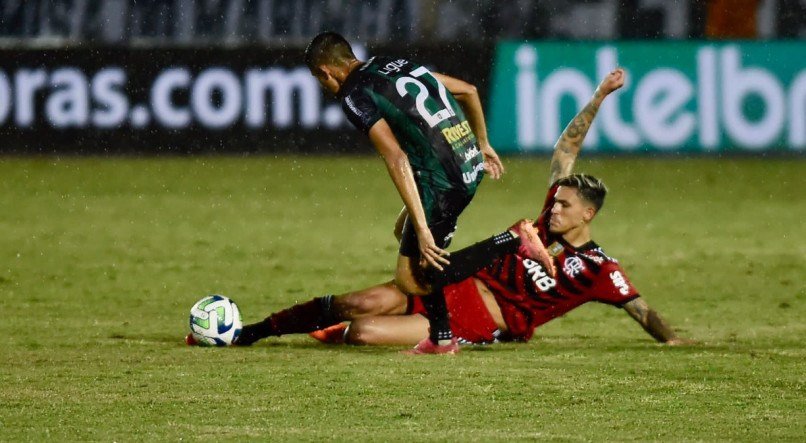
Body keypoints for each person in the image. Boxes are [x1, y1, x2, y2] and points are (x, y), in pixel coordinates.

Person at [211, 68, 690, 349]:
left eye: (566, 205)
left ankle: (350, 333)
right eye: (557, 199)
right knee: (357, 302)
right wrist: (600, 96)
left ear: (589, 216)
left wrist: (673, 341)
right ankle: (254, 332)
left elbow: (642, 310)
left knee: (362, 331)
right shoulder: (545, 222)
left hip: (479, 319)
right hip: (455, 279)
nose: (556, 206)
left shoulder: (600, 269)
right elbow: (569, 145)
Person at [292, 32, 555, 353]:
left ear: (326, 71)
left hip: (445, 179)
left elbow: (396, 157)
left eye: (319, 80)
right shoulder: (391, 63)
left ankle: (509, 245)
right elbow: (468, 91)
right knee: (402, 232)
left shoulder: (353, 93)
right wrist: (482, 143)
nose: (323, 87)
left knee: (411, 277)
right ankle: (439, 331)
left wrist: (422, 225)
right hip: (467, 162)